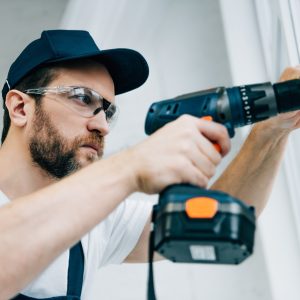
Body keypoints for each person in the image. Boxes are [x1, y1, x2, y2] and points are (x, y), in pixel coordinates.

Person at [0, 29, 299, 299]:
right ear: (20, 107)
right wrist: (132, 165)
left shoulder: (95, 223)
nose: (102, 125)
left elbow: (219, 215)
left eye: (108, 111)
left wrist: (270, 133)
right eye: (82, 98)